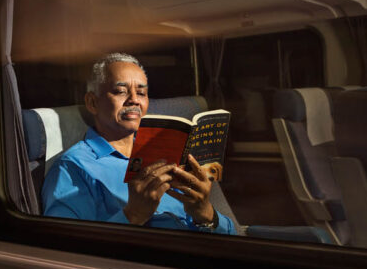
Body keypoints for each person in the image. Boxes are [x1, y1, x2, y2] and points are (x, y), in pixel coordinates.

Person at [42, 52, 236, 234]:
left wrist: (206, 215)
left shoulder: (168, 153)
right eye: (120, 91)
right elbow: (65, 247)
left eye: (141, 93)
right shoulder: (73, 167)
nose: (134, 100)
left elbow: (232, 236)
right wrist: (133, 215)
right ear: (93, 102)